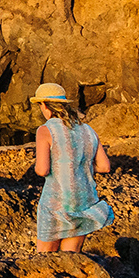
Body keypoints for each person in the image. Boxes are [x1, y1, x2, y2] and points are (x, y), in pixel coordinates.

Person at [31, 82, 113, 253]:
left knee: (45, 261)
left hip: (55, 205)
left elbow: (42, 170)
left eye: (40, 105)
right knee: (71, 259)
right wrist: (77, 164)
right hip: (83, 203)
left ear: (45, 105)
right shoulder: (88, 130)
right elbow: (104, 166)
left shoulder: (45, 130)